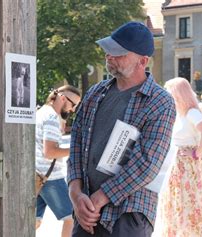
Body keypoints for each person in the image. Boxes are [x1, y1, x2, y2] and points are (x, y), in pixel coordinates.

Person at [67, 21, 176, 237]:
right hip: (86, 210)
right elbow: (76, 145)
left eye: (118, 53)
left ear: (142, 61)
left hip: (128, 213)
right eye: (108, 50)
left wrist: (98, 200)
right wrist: (76, 194)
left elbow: (146, 164)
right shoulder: (95, 93)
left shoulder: (160, 102)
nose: (109, 56)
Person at [157, 77, 202, 237]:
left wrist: (196, 153)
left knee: (188, 204)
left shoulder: (191, 112)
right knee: (175, 204)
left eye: (169, 92)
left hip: (188, 165)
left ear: (178, 94)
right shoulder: (179, 113)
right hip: (176, 165)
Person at [36, 85, 81, 237]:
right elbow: (49, 152)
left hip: (37, 176)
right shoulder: (51, 118)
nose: (73, 110)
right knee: (73, 217)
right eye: (73, 104)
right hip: (49, 178)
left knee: (33, 222)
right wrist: (75, 149)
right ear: (62, 98)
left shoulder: (42, 112)